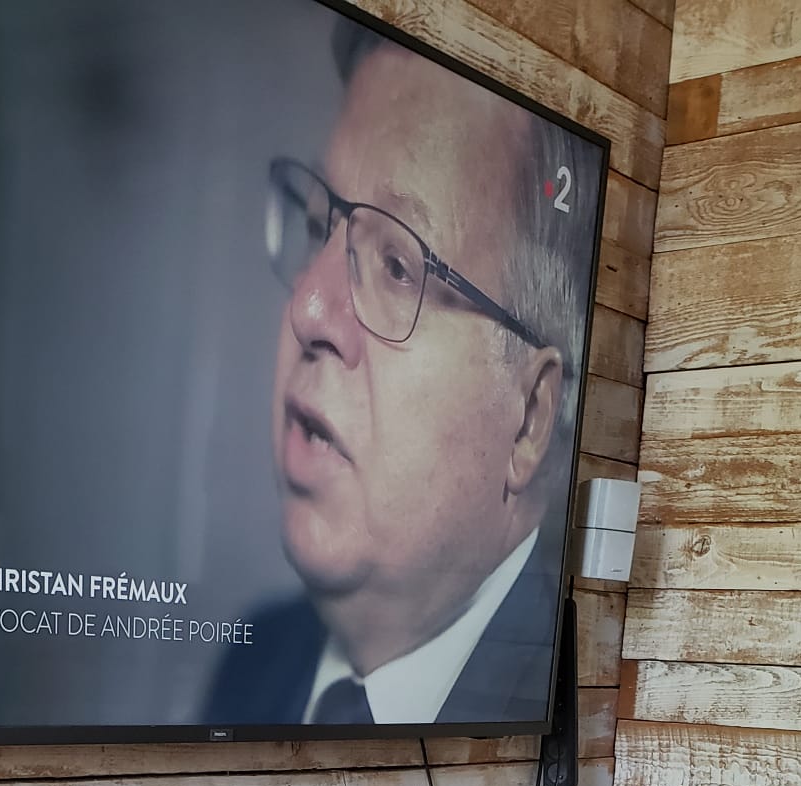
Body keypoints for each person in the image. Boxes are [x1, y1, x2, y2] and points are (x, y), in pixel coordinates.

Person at [207, 21, 597, 728]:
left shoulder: (571, 709)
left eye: (396, 266)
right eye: (319, 227)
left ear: (529, 419)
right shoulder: (250, 663)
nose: (308, 307)